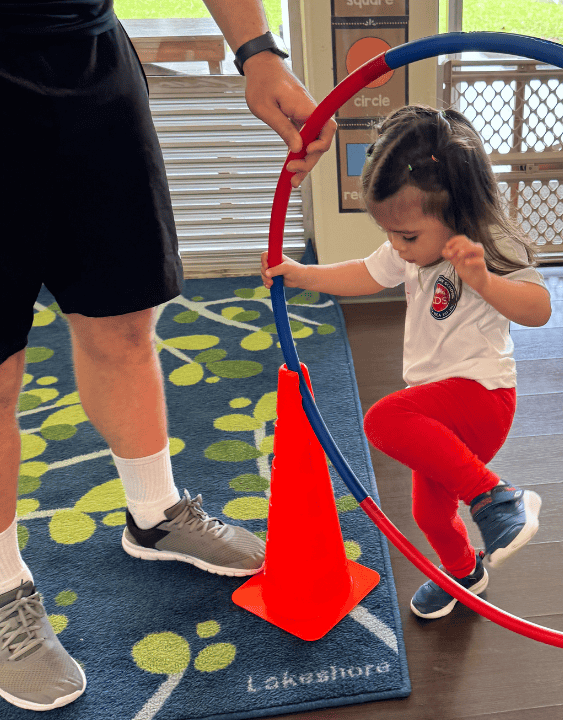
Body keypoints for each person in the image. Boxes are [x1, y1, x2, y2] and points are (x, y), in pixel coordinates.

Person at [0, 0, 335, 712]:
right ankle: (1, 587)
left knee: (124, 323)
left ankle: (153, 514)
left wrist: (258, 50)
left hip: (89, 59)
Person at [261, 104, 552, 621]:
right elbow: (366, 275)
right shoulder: (410, 247)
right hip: (434, 409)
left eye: (408, 236)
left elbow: (538, 310)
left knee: (383, 420)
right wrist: (302, 276)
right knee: (427, 512)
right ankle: (465, 571)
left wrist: (484, 281)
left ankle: (498, 499)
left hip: (480, 396)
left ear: (456, 209)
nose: (398, 247)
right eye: (390, 234)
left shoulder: (488, 244)